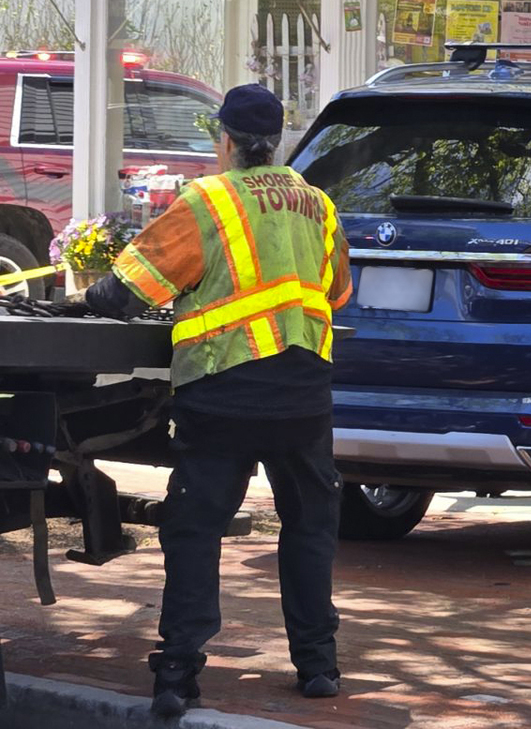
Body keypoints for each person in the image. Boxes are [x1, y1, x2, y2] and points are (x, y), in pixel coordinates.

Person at [85, 84, 352, 717]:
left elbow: (128, 291)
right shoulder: (318, 204)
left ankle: (178, 675)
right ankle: (318, 666)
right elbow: (337, 291)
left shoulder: (207, 201)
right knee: (310, 527)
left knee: (196, 530)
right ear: (278, 140)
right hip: (304, 395)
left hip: (222, 391)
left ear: (224, 139)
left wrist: (94, 295)